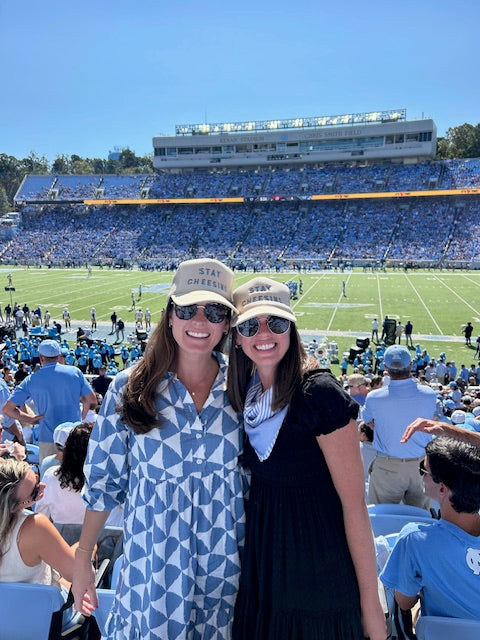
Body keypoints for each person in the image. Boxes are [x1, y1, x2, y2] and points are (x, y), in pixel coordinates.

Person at [72, 258, 248, 640]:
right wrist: (83, 558)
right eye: (187, 309)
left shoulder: (244, 387)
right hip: (155, 569)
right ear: (170, 316)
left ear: (227, 323)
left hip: (228, 568)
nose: (199, 322)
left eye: (214, 311)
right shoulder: (130, 386)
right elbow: (104, 481)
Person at [227, 277, 385, 640]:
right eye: (250, 325)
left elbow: (354, 506)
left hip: (319, 568)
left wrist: (370, 602)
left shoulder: (319, 393)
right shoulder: (246, 392)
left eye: (276, 322)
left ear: (292, 328)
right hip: (266, 567)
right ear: (236, 337)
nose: (263, 333)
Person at [380, 436, 480, 621]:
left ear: (442, 489)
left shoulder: (414, 540)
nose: (421, 475)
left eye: (423, 470)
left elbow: (404, 602)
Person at [0, 459, 89, 621]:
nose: (43, 486)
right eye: (35, 492)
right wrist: (88, 548)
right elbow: (77, 574)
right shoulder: (35, 527)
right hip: (39, 620)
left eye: (36, 475)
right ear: (14, 505)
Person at [362, 344, 437, 508]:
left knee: (384, 516)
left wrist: (386, 429)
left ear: (385, 367)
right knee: (421, 519)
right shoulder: (429, 394)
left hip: (388, 466)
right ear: (411, 366)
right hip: (421, 466)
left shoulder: (374, 397)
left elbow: (368, 421)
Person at [2, 340, 97, 462]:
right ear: (58, 356)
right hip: (74, 436)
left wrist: (30, 419)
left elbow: (7, 409)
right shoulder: (75, 372)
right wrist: (81, 414)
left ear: (41, 358)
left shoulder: (32, 379)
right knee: (78, 476)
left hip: (48, 438)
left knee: (48, 476)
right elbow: (92, 400)